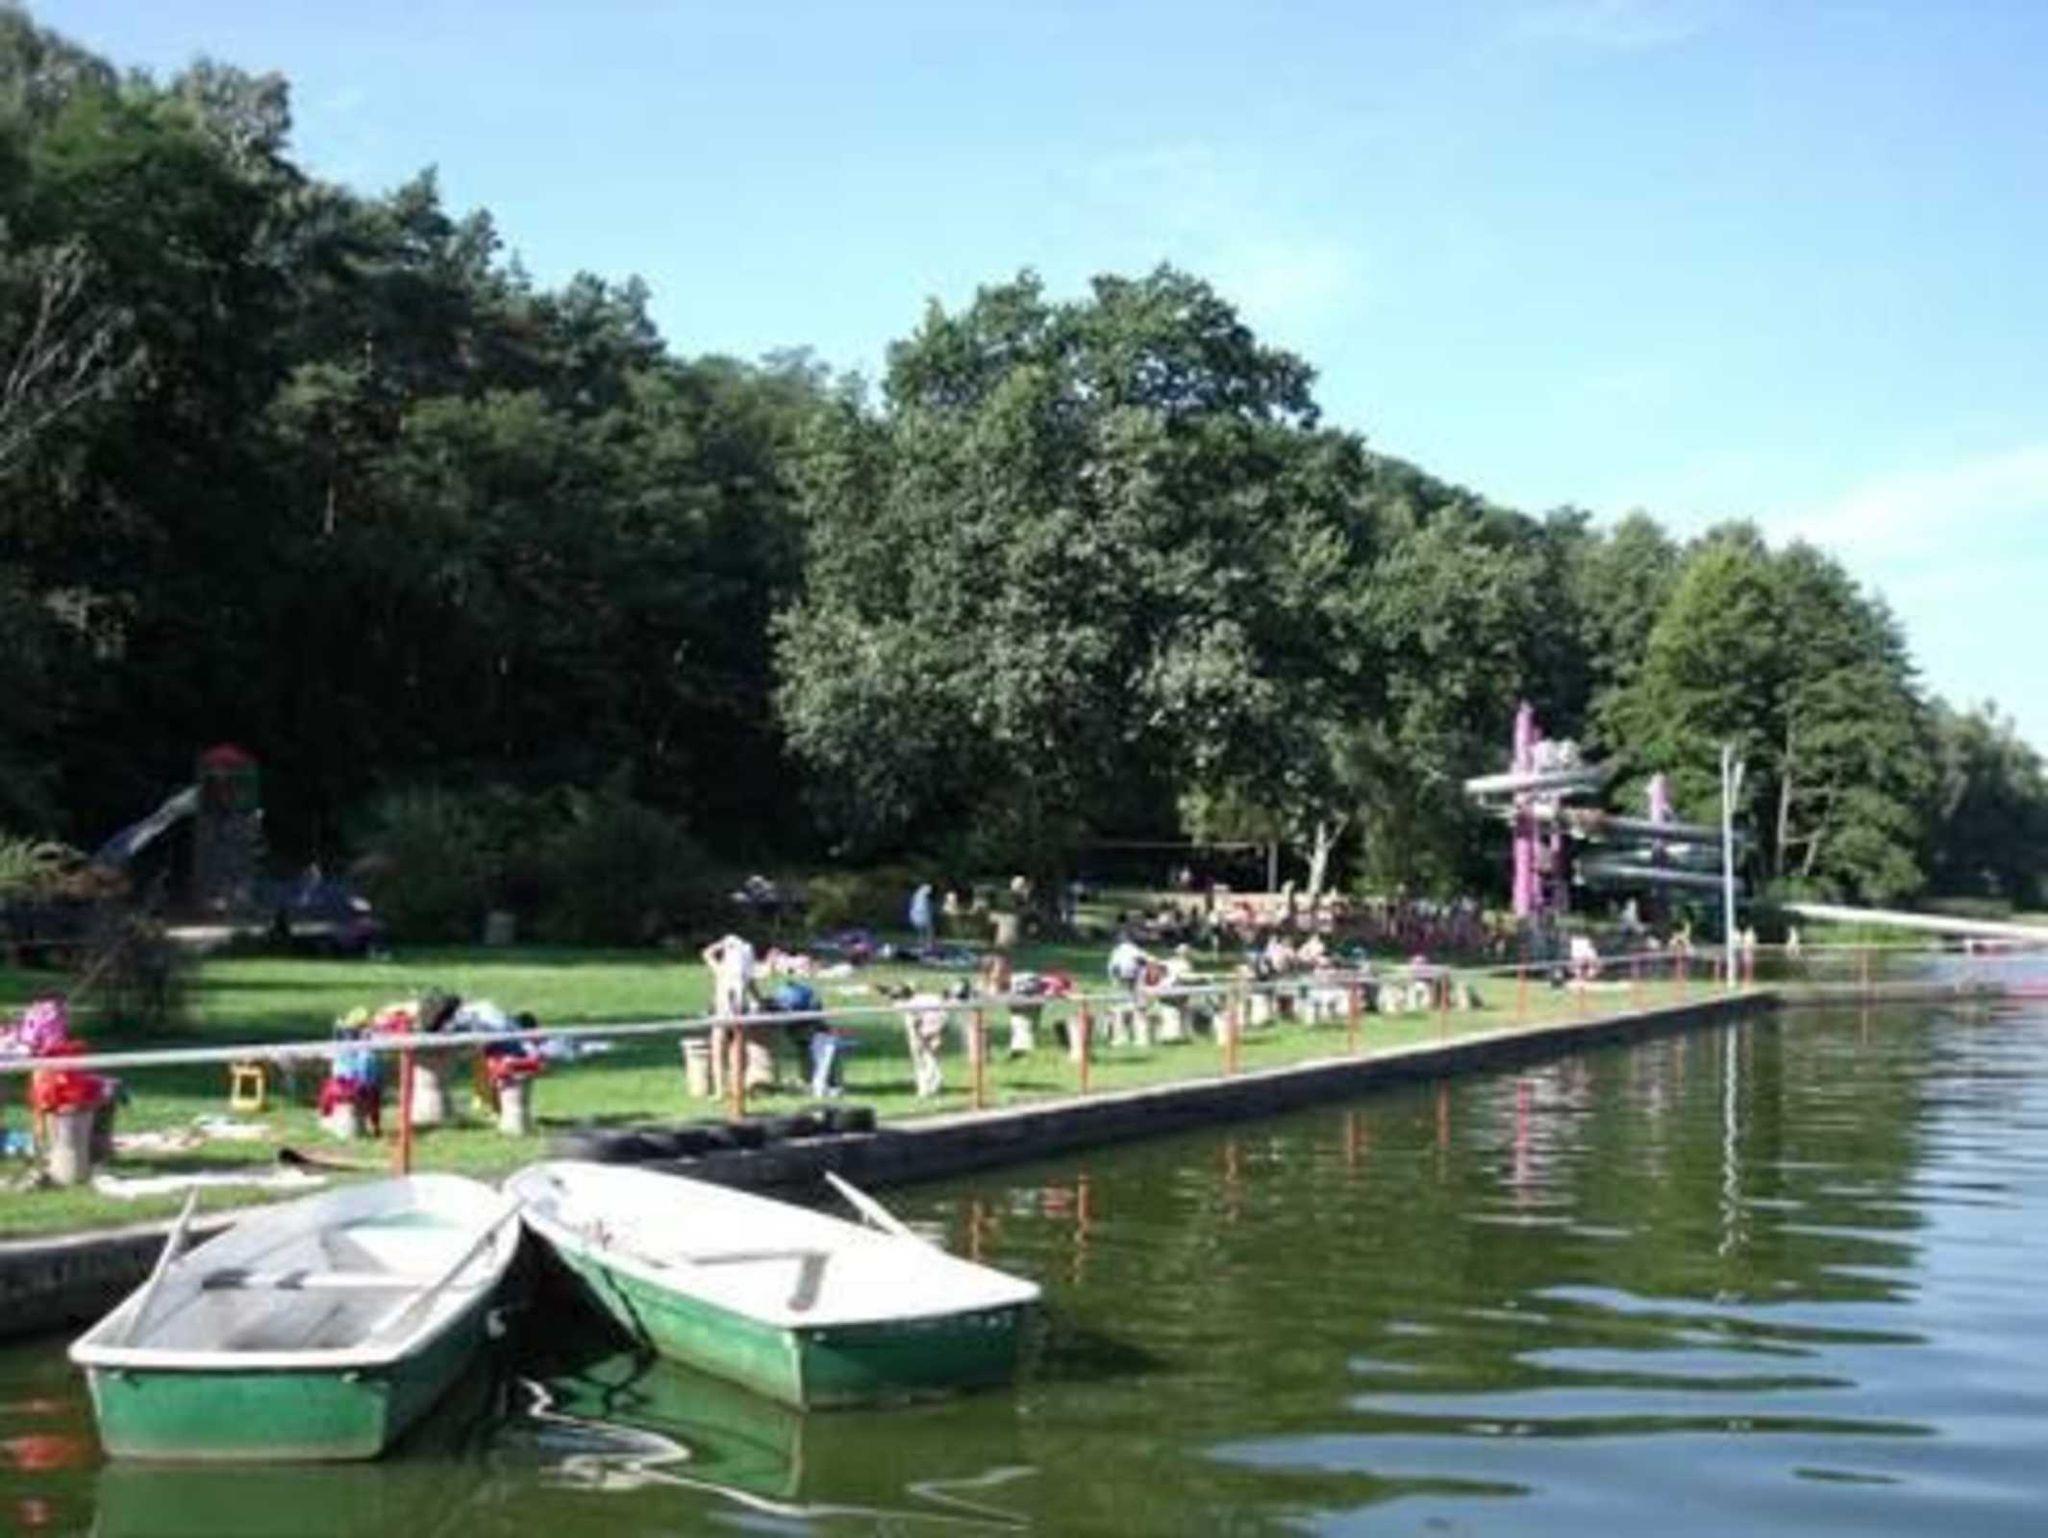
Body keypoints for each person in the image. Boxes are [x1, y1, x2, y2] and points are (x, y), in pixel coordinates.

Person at [700, 933, 758, 1096]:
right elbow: (753, 988)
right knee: (737, 1052)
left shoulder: (722, 969)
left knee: (719, 1052)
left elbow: (706, 953)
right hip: (738, 1012)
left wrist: (722, 943)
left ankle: (721, 1089)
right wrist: (759, 1001)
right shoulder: (743, 973)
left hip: (723, 1013)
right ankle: (736, 1086)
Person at [908, 883, 935, 951]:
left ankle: (923, 943)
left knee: (922, 931)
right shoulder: (922, 897)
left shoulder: (917, 895)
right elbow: (927, 908)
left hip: (917, 914)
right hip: (921, 914)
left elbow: (912, 906)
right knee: (928, 929)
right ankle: (928, 945)